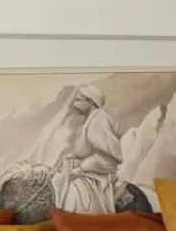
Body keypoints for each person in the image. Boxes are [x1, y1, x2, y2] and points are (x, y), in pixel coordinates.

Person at [40, 85, 123, 213]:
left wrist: (81, 169)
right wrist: (69, 157)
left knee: (75, 195)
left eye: (79, 100)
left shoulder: (98, 121)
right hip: (85, 170)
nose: (74, 103)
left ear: (90, 102)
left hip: (94, 175)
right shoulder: (89, 120)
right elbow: (85, 151)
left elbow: (108, 158)